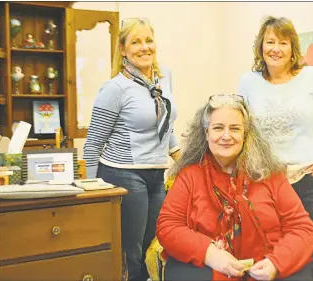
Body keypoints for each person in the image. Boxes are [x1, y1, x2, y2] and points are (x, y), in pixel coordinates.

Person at [156, 94, 313, 281]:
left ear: (245, 135)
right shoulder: (189, 176)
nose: (226, 136)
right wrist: (210, 254)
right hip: (211, 269)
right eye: (218, 128)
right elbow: (168, 227)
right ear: (206, 133)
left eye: (235, 129)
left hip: (265, 267)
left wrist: (276, 263)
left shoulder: (271, 175)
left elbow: (302, 229)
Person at [238, 16, 313, 280]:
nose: (275, 48)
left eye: (283, 42)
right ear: (260, 47)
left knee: (308, 260)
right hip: (269, 184)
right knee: (275, 259)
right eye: (270, 42)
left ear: (293, 48)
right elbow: (241, 128)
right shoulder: (248, 82)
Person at [83, 18, 181, 281]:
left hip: (156, 174)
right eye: (136, 42)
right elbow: (92, 144)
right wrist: (94, 193)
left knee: (153, 245)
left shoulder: (164, 78)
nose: (144, 47)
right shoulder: (115, 88)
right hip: (123, 174)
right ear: (123, 49)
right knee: (132, 253)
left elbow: (166, 125)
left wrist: (183, 160)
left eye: (148, 40)